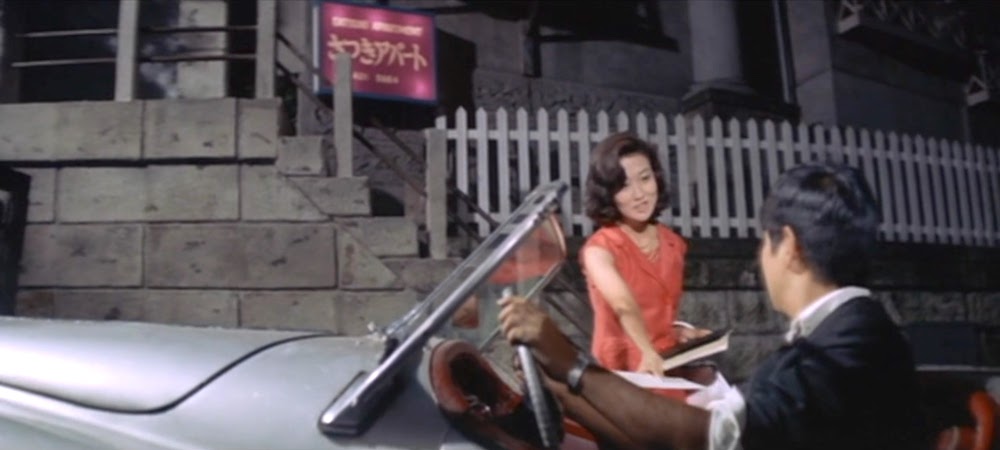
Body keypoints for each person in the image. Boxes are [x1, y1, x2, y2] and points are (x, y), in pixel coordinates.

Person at [500, 163, 928, 449]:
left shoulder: (840, 350)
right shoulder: (849, 334)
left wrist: (573, 365)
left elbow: (704, 438)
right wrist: (562, 386)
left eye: (764, 241)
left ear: (789, 247)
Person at [581, 131, 708, 374]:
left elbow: (659, 316)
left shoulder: (673, 244)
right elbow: (623, 304)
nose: (639, 194)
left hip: (666, 362)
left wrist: (680, 332)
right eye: (624, 185)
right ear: (608, 193)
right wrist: (647, 351)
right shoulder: (599, 250)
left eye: (645, 178)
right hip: (622, 372)